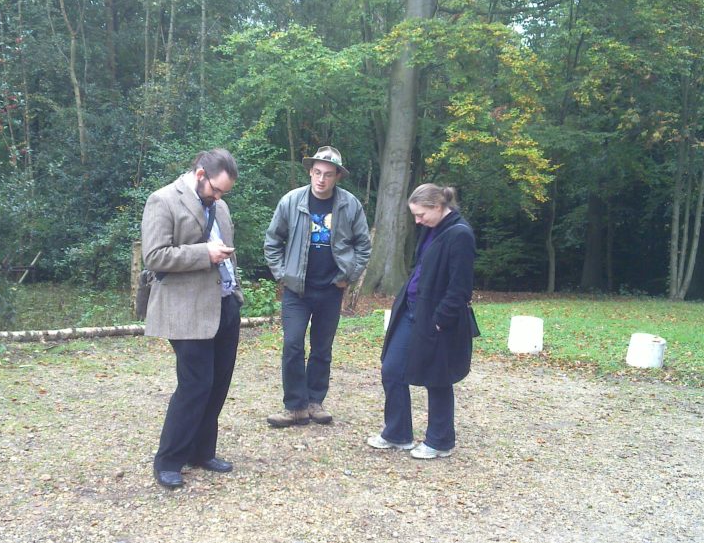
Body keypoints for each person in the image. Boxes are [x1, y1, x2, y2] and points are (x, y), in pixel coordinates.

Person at [141, 148, 244, 489]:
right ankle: (169, 459)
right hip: (185, 310)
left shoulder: (222, 205)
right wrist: (205, 254)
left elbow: (226, 251)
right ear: (200, 174)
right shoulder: (163, 200)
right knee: (194, 385)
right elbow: (155, 256)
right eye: (216, 189)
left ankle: (202, 451)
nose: (219, 197)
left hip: (225, 304)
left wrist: (236, 293)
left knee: (217, 385)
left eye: (224, 193)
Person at [263, 146, 372, 427]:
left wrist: (349, 274)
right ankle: (295, 406)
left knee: (322, 348)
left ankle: (315, 402)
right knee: (292, 344)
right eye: (317, 173)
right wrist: (281, 274)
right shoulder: (291, 201)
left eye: (328, 174)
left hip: (331, 289)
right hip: (297, 290)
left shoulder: (350, 205)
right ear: (310, 172)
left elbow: (363, 245)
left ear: (337, 176)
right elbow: (273, 241)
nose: (322, 179)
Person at [367, 183, 477, 459]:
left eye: (421, 215)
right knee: (391, 368)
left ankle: (440, 441)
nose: (417, 221)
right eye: (415, 215)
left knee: (437, 377)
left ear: (438, 207)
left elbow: (460, 287)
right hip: (412, 309)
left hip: (438, 317)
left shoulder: (460, 235)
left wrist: (441, 320)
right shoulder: (432, 229)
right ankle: (398, 433)